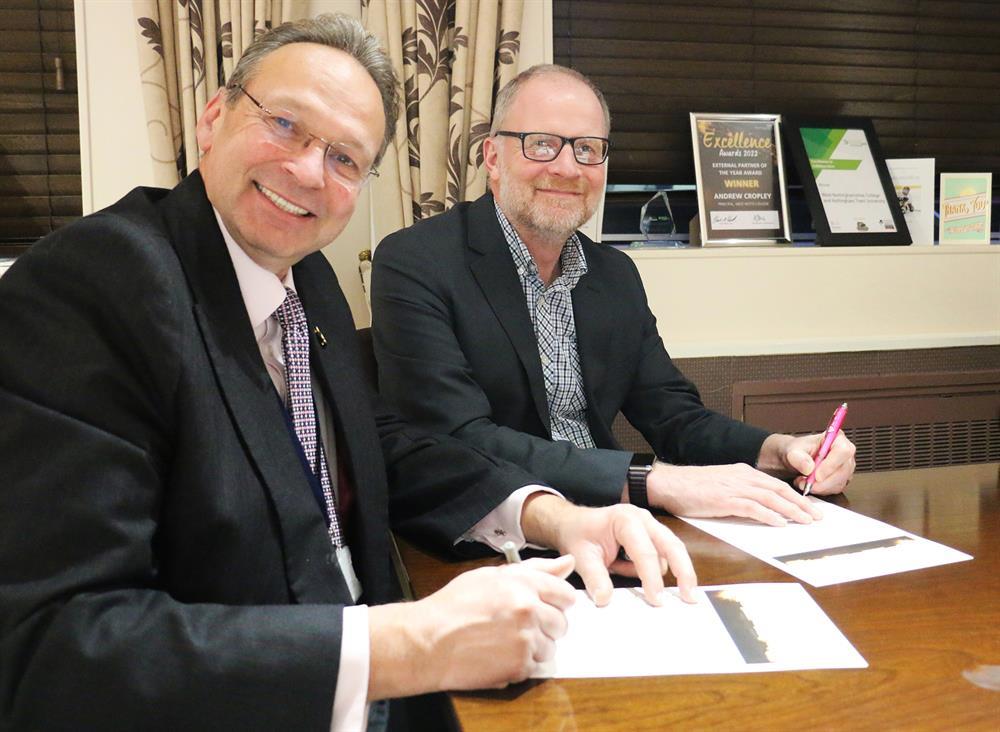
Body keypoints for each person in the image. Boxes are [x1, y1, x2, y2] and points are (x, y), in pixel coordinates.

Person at [0, 21, 696, 732]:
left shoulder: (308, 278)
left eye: (344, 158)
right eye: (285, 125)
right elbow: (55, 648)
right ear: (213, 118)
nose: (308, 172)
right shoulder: (91, 286)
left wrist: (554, 513)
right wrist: (411, 644)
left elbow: (382, 446)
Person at [371, 64, 857, 529]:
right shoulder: (417, 262)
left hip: (617, 518)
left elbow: (674, 417)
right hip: (493, 532)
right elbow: (458, 439)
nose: (567, 167)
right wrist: (652, 482)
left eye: (588, 148)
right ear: (493, 158)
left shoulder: (614, 274)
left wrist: (781, 448)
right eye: (541, 145)